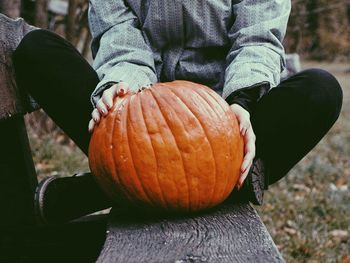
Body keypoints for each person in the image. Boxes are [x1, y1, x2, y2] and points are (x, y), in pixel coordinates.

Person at [13, 0, 342, 224]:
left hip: (220, 119)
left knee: (321, 89)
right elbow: (121, 40)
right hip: (141, 120)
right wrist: (123, 88)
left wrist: (242, 103)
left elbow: (256, 41)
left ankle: (94, 191)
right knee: (37, 50)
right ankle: (207, 188)